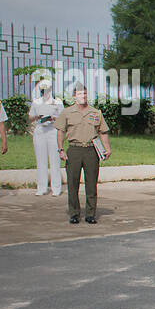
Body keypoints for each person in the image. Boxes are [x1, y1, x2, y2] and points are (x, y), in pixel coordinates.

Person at [55, 85, 111, 223]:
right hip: (74, 149)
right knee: (72, 183)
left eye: (85, 94)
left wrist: (107, 148)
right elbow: (60, 131)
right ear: (74, 96)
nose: (83, 96)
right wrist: (61, 149)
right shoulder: (67, 112)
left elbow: (102, 131)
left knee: (91, 183)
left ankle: (90, 214)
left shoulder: (95, 112)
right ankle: (74, 213)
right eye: (80, 94)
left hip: (91, 150)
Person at [29, 78, 64, 197]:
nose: (45, 92)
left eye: (47, 90)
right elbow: (30, 118)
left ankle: (56, 188)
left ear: (51, 89)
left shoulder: (57, 102)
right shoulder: (36, 102)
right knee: (41, 161)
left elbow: (63, 118)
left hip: (53, 130)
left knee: (54, 160)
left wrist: (53, 117)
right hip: (40, 130)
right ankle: (41, 187)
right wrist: (38, 116)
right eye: (43, 90)